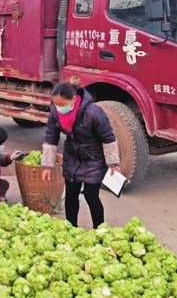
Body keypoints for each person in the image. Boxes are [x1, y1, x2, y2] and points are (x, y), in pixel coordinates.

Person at [42, 82, 120, 228]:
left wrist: (113, 164)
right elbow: (50, 137)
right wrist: (47, 165)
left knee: (91, 196)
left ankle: (99, 229)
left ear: (73, 99)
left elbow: (108, 138)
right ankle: (71, 228)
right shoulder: (55, 112)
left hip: (94, 158)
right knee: (71, 195)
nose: (59, 108)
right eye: (56, 104)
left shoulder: (93, 112)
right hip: (72, 157)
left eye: (62, 104)